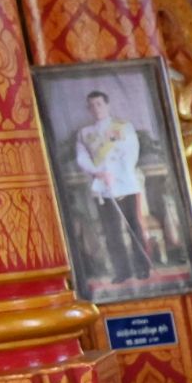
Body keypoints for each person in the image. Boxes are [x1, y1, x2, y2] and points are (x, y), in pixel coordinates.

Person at [74, 91, 151, 280]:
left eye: (99, 104)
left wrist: (114, 175)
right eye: (91, 105)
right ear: (88, 109)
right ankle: (122, 272)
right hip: (102, 187)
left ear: (107, 105)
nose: (96, 108)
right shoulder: (85, 133)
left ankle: (142, 267)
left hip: (126, 184)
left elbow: (130, 153)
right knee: (111, 231)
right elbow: (82, 157)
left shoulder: (123, 127)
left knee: (134, 226)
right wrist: (98, 173)